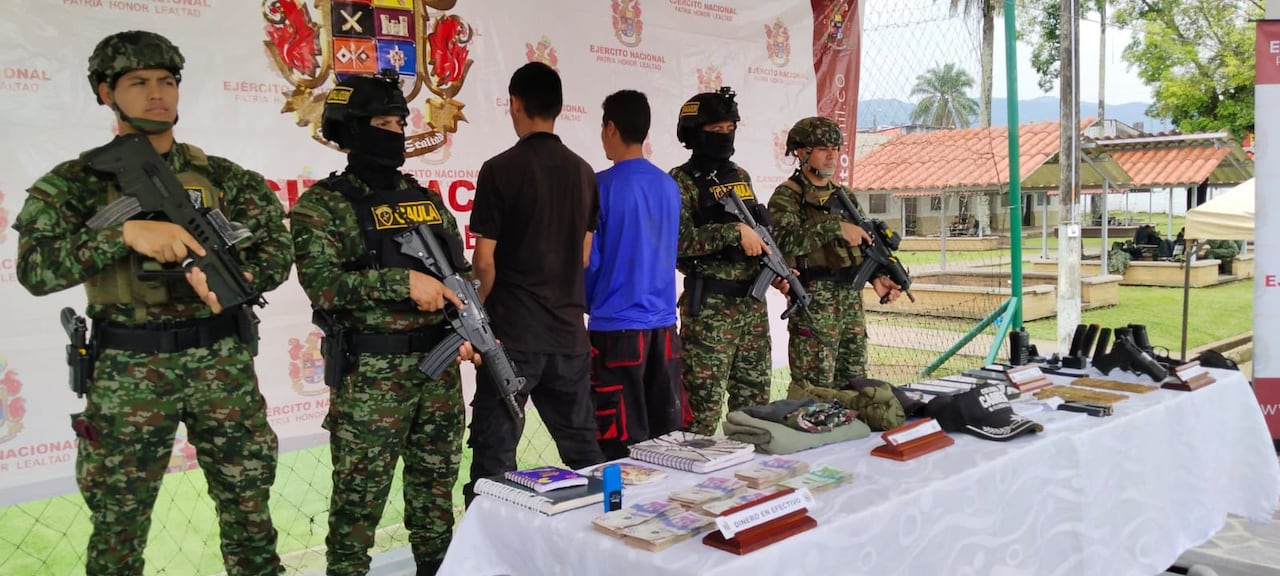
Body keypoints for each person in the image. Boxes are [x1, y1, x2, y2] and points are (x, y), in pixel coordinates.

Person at [12, 30, 290, 575]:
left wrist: (240, 274)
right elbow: (34, 272)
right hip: (128, 369)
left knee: (250, 510)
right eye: (138, 82)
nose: (156, 93)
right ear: (104, 92)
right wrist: (121, 236)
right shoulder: (75, 183)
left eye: (166, 81)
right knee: (118, 524)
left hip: (222, 362)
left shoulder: (222, 177)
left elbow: (277, 245)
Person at [289, 70, 475, 576]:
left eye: (399, 122)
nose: (394, 132)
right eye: (381, 122)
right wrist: (401, 284)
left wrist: (468, 330)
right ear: (350, 130)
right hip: (372, 377)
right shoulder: (321, 207)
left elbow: (457, 276)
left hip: (437, 377)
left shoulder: (426, 199)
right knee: (357, 509)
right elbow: (324, 288)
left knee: (435, 503)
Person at [465, 62, 605, 503]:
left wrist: (474, 316)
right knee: (588, 457)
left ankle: (491, 563)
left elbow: (484, 262)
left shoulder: (499, 169)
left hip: (512, 341)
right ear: (560, 108)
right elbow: (582, 255)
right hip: (568, 337)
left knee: (494, 461)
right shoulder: (584, 173)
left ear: (516, 104)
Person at [670, 86, 792, 436]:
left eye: (730, 129)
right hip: (709, 311)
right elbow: (677, 243)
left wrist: (777, 271)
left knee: (754, 413)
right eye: (715, 131)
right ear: (694, 134)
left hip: (750, 310)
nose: (725, 137)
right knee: (700, 418)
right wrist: (732, 233)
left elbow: (758, 236)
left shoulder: (739, 176)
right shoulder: (681, 181)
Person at [767, 117, 901, 398]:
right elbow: (782, 243)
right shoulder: (787, 197)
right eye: (822, 148)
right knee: (814, 394)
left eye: (835, 148)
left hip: (849, 303)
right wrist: (833, 227)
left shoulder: (844, 195)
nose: (831, 155)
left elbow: (865, 242)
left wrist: (876, 277)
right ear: (801, 152)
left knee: (855, 388)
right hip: (815, 303)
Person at [586, 90, 686, 460]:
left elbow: (589, 261)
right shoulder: (668, 186)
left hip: (615, 331)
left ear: (610, 127)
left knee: (619, 446)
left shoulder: (598, 186)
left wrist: (586, 300)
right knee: (667, 440)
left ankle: (622, 514)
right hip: (663, 329)